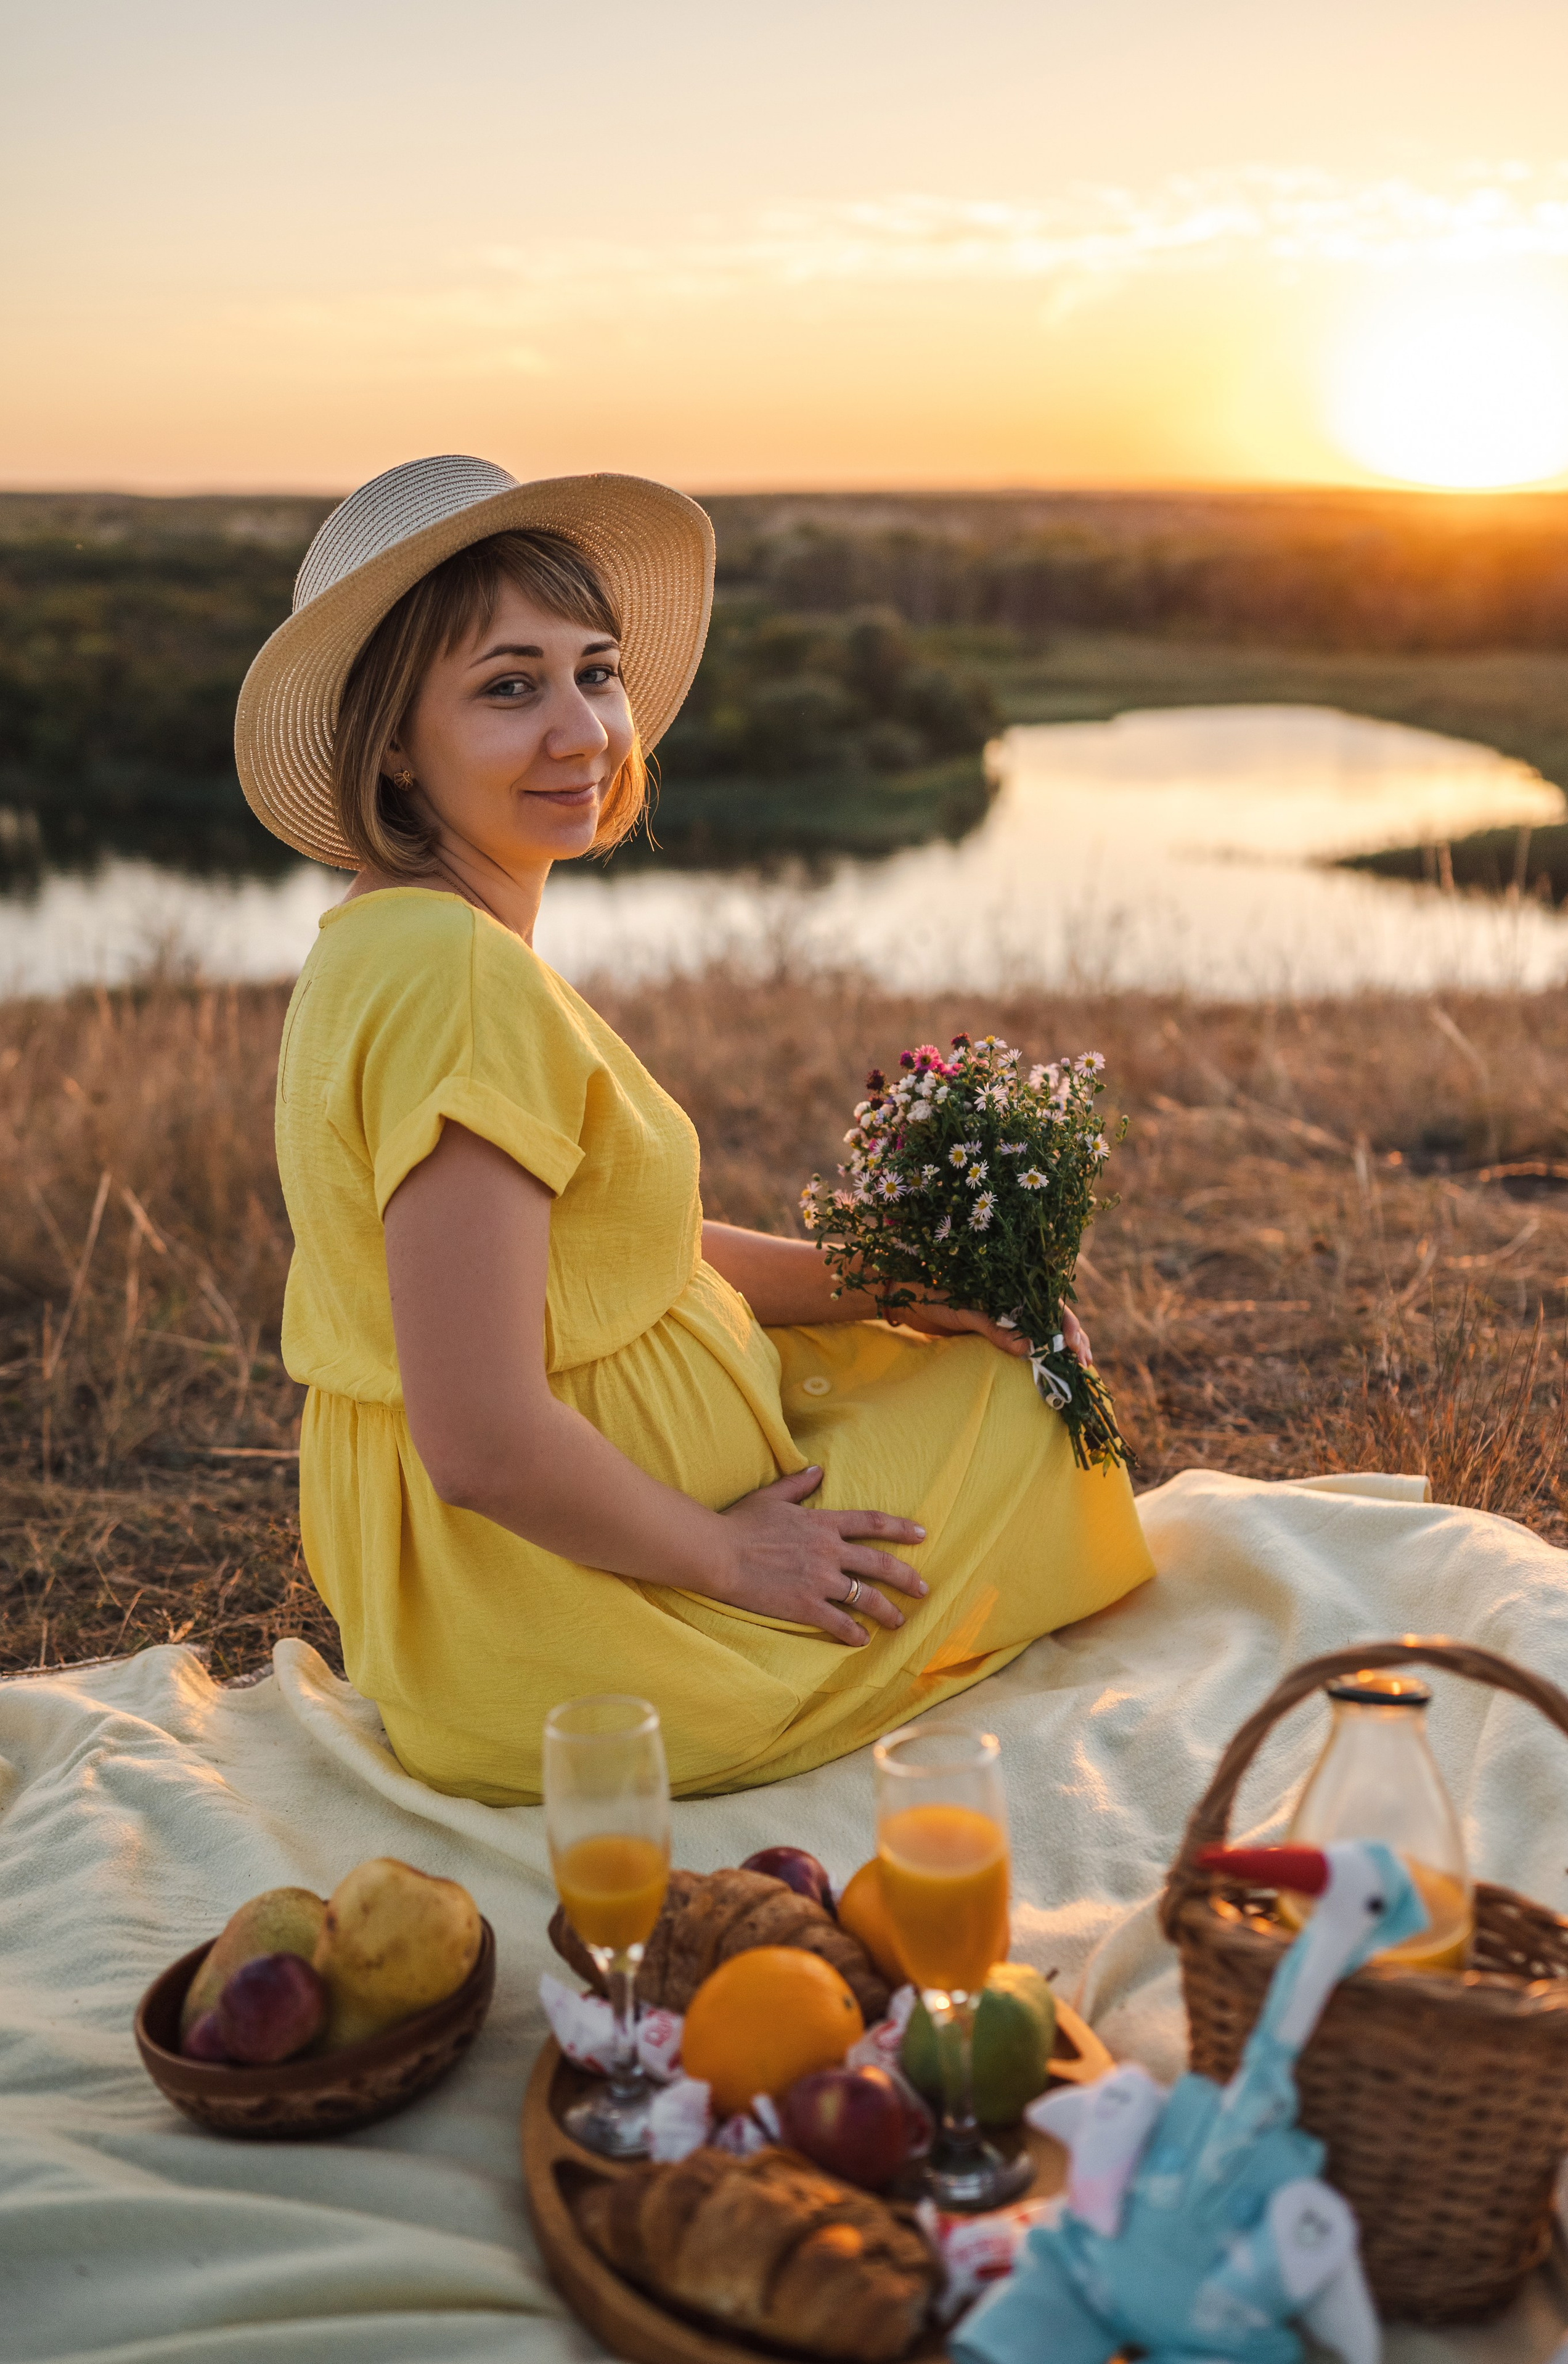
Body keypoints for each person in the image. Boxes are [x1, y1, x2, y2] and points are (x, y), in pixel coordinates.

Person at [237, 454, 1153, 1804]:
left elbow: (616, 1260)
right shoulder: (455, 981)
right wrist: (735, 1559)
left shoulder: (390, 942)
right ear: (388, 740)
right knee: (1023, 1407)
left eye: (592, 672)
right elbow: (480, 1436)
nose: (581, 733)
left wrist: (902, 1280)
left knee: (950, 1344)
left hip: (500, 1602)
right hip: (574, 1634)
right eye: (507, 687)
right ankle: (765, 1636)